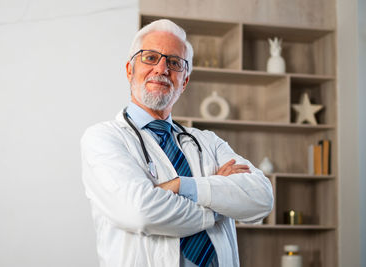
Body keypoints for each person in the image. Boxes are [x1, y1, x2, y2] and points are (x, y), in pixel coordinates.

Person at [81, 19, 274, 267]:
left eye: (174, 62)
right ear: (130, 70)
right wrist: (219, 206)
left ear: (184, 81)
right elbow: (139, 212)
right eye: (150, 57)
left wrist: (181, 186)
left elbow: (261, 197)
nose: (162, 69)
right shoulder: (104, 138)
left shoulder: (208, 141)